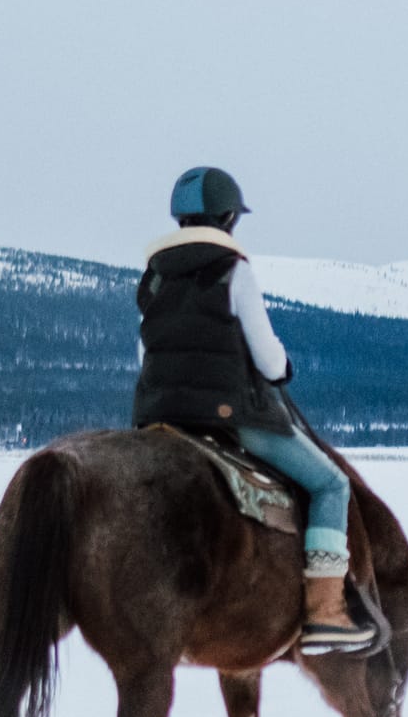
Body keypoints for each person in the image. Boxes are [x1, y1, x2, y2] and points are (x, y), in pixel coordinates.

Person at [133, 165, 374, 655]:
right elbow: (265, 355)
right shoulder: (234, 269)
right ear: (228, 217)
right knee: (331, 484)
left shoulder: (155, 276)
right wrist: (282, 367)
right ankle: (326, 610)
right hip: (230, 416)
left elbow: (144, 351)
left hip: (161, 415)